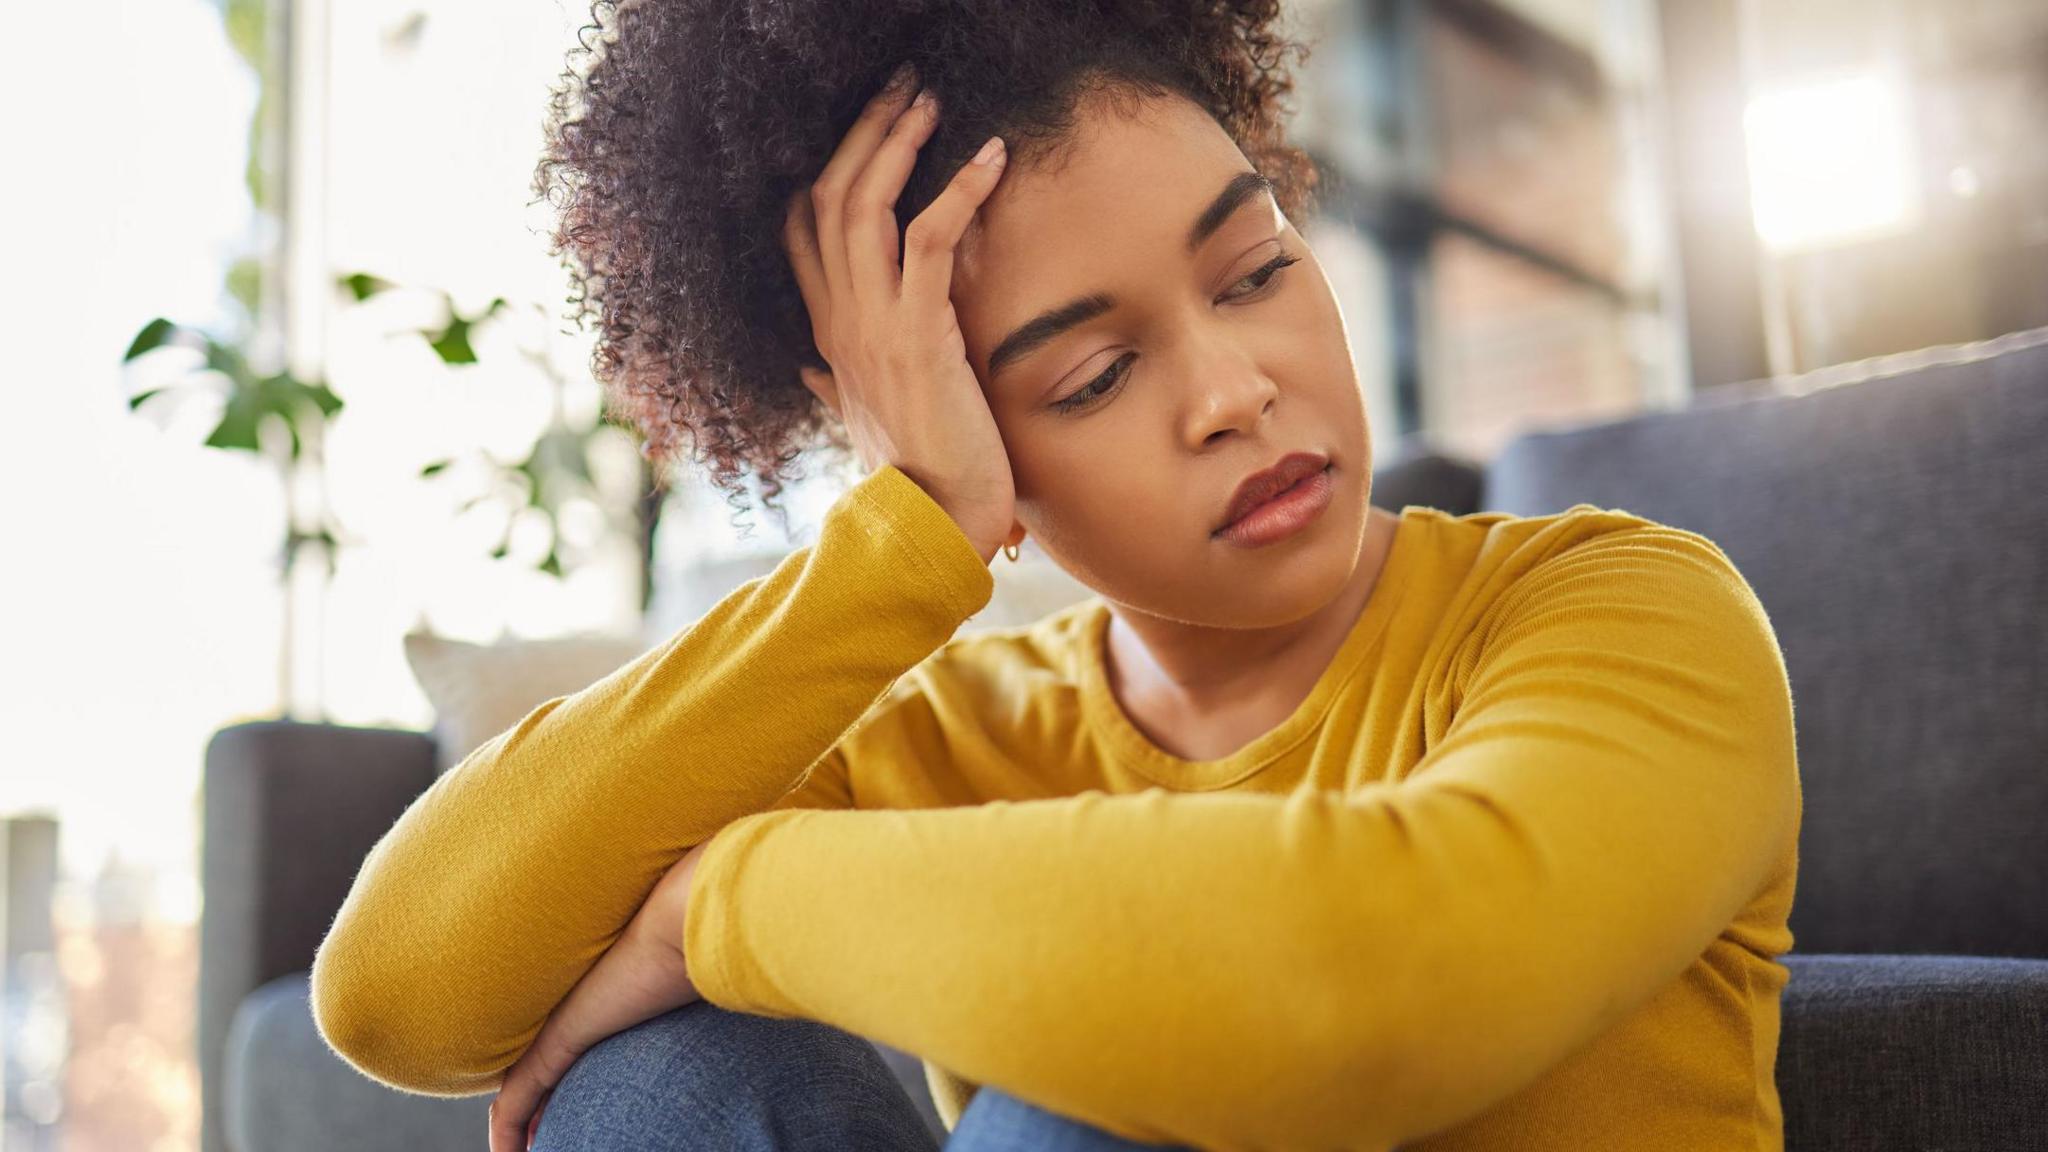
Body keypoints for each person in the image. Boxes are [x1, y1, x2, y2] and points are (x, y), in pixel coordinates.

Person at [307, 2, 1804, 1150]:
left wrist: (719, 907)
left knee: (1090, 1104)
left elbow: (1376, 989)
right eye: (1093, 376)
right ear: (960, 427)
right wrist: (906, 538)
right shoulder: (960, 735)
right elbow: (398, 993)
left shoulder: (1624, 607)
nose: (1233, 390)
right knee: (665, 1086)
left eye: (1258, 270)